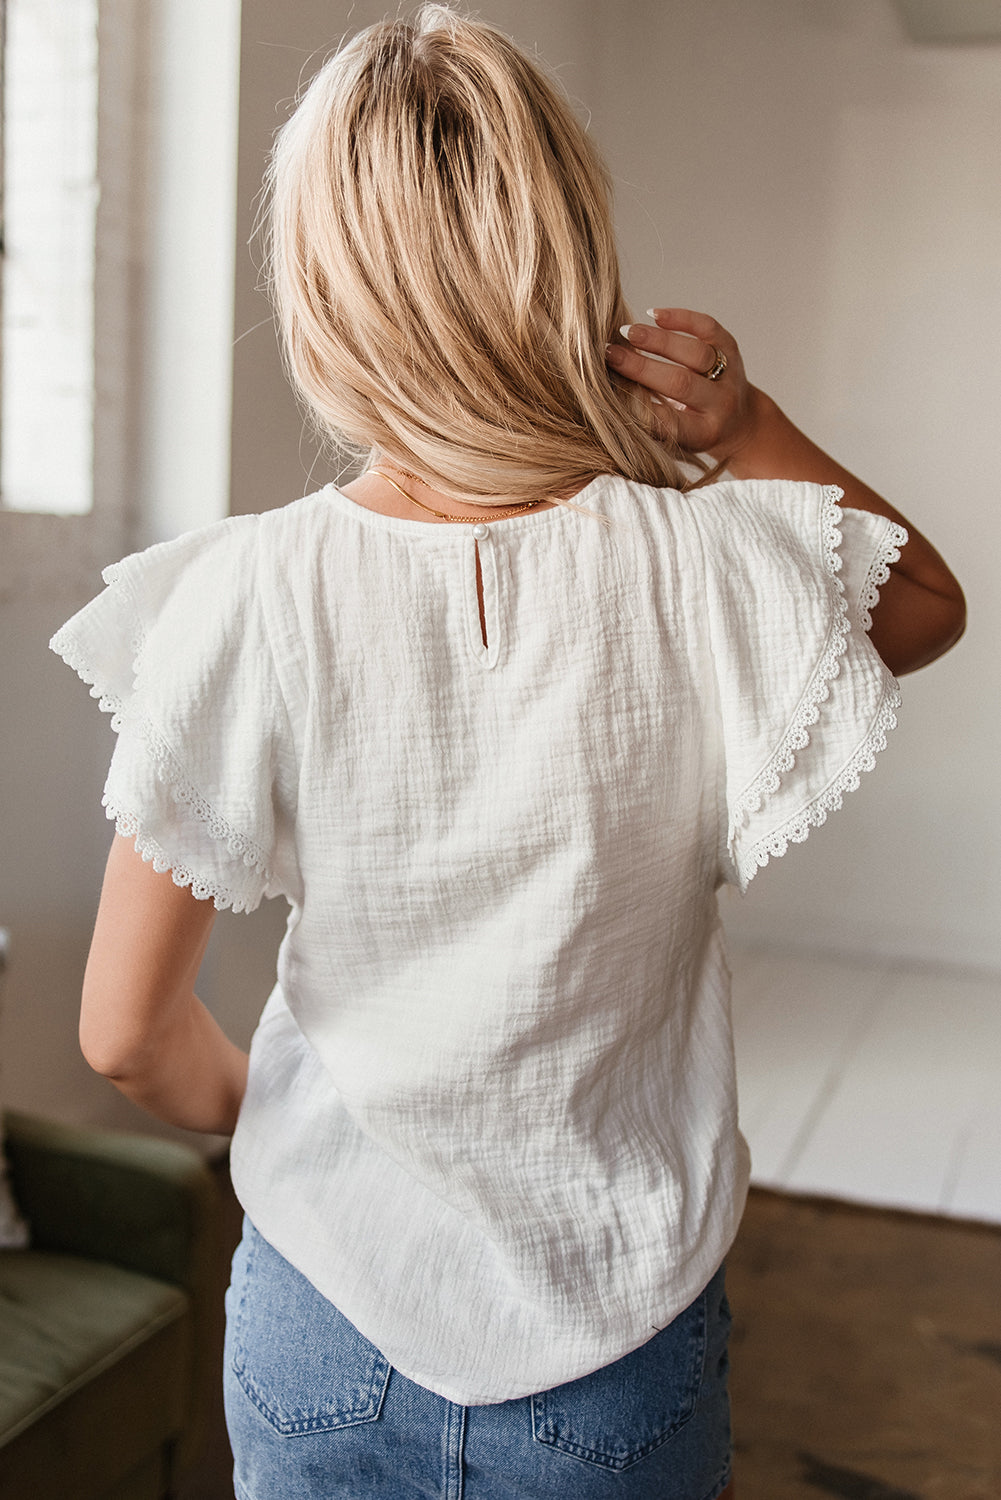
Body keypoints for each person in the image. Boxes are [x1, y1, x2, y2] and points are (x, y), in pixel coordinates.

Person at [50, 7, 965, 1498]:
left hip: (319, 1318)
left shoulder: (246, 593)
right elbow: (922, 606)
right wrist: (744, 425)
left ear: (319, 292)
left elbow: (123, 1036)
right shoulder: (706, 563)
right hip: (615, 1333)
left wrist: (286, 1125)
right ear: (570, 257)